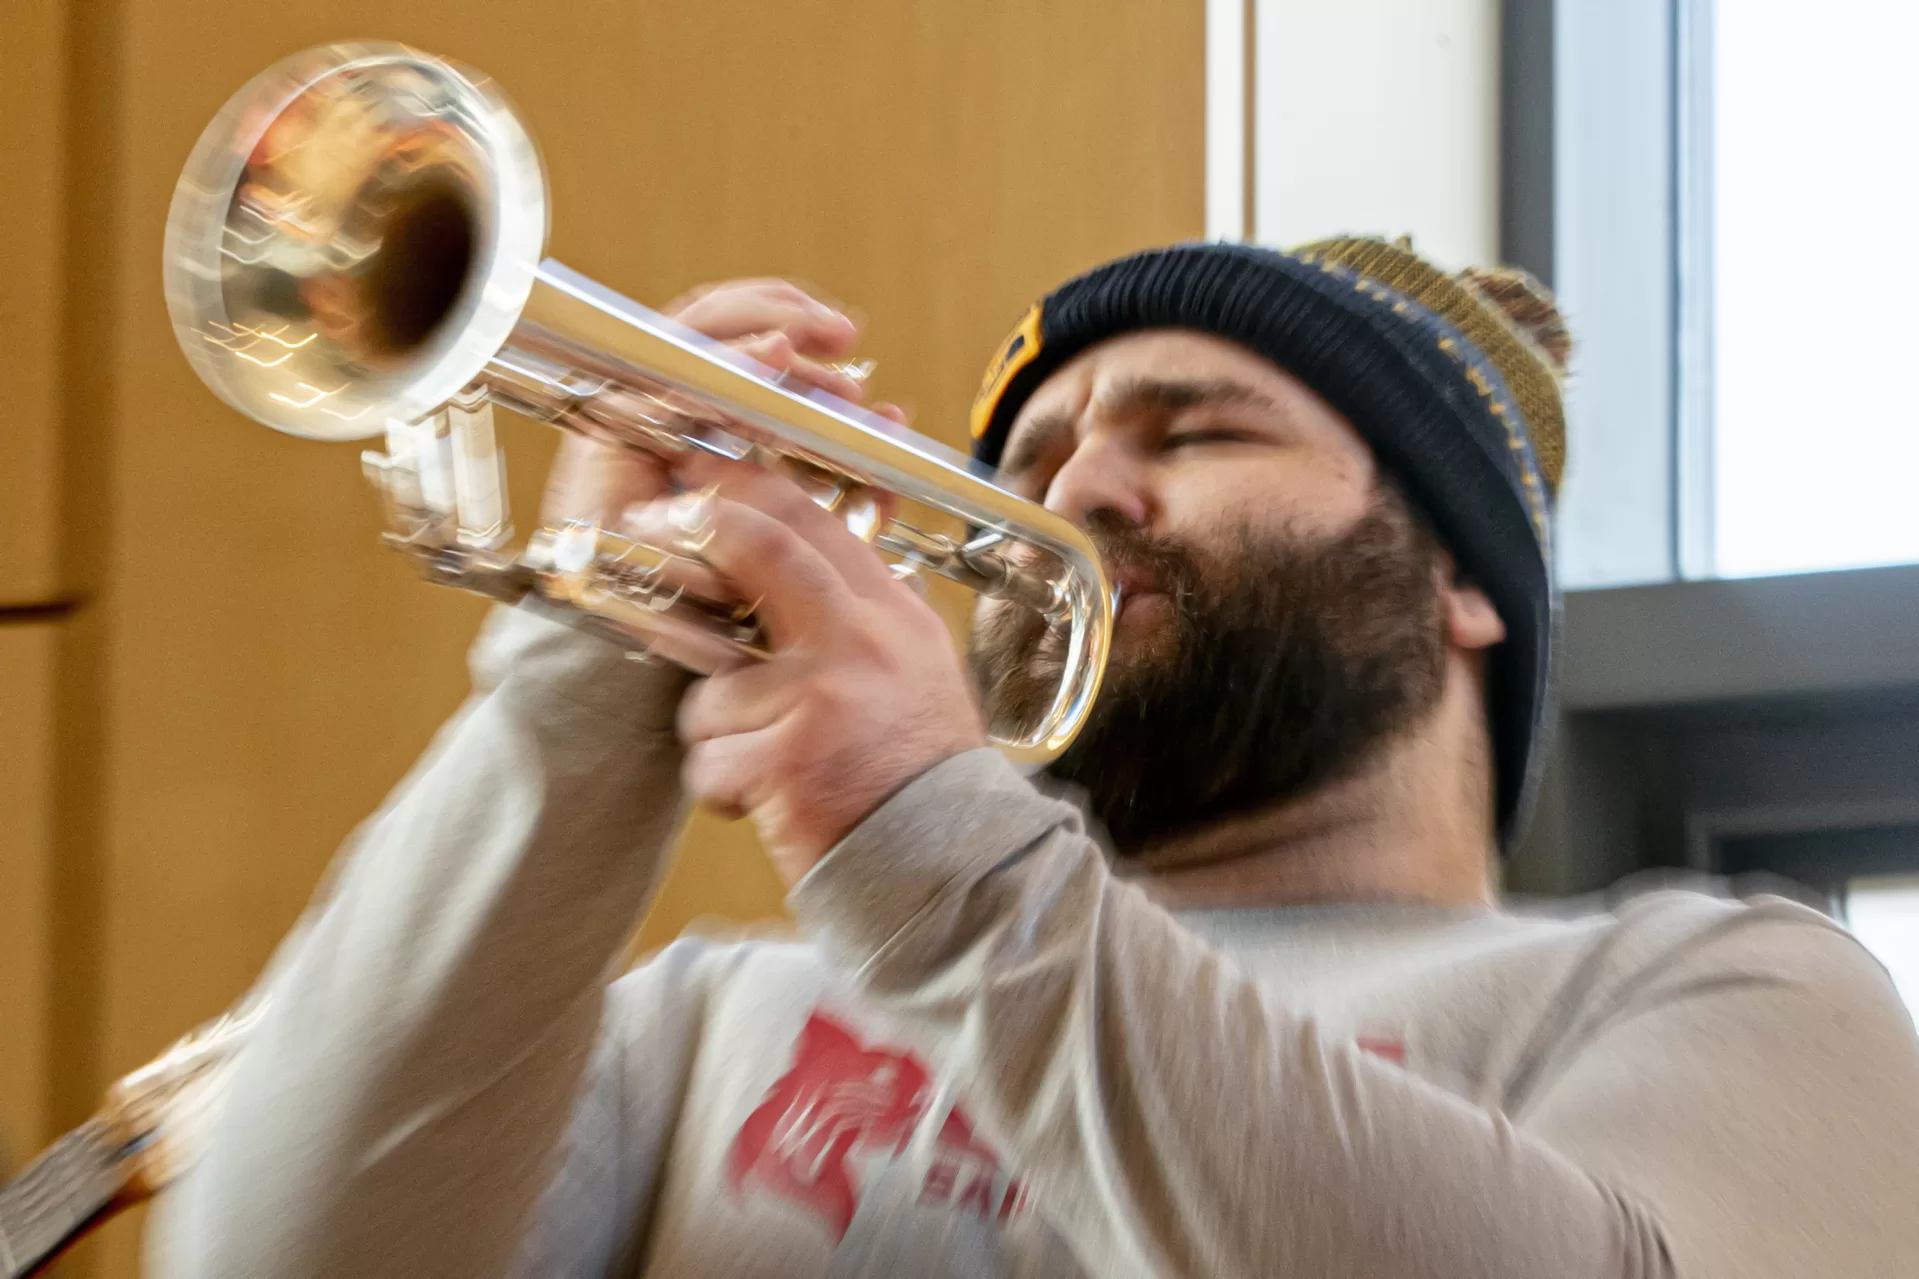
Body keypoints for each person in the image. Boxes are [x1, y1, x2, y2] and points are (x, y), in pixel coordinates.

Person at [147, 241, 1919, 1279]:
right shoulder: (706, 1018)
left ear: (1462, 579)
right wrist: (583, 679)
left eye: (1200, 430)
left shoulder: (1722, 981)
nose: (1072, 492)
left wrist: (943, 853)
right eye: (1043, 451)